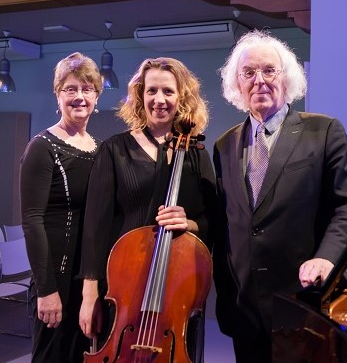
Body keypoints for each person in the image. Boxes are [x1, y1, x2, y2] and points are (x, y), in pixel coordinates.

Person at [212, 30, 347, 362]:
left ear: (287, 79)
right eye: (249, 73)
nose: (259, 81)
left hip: (303, 305)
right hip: (245, 311)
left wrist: (328, 257)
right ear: (237, 85)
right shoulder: (223, 145)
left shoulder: (324, 131)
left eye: (269, 70)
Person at [78, 57, 216, 361]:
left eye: (168, 91)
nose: (159, 100)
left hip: (176, 291)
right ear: (140, 96)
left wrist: (189, 224)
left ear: (182, 97)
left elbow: (214, 221)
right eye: (151, 91)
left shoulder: (196, 154)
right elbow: (95, 225)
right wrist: (90, 294)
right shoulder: (114, 150)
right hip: (124, 285)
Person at [20, 52, 102, 363]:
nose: (79, 97)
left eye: (87, 89)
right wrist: (46, 290)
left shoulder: (100, 148)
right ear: (58, 94)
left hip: (90, 281)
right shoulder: (42, 147)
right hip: (57, 281)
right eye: (70, 89)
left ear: (96, 95)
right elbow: (31, 221)